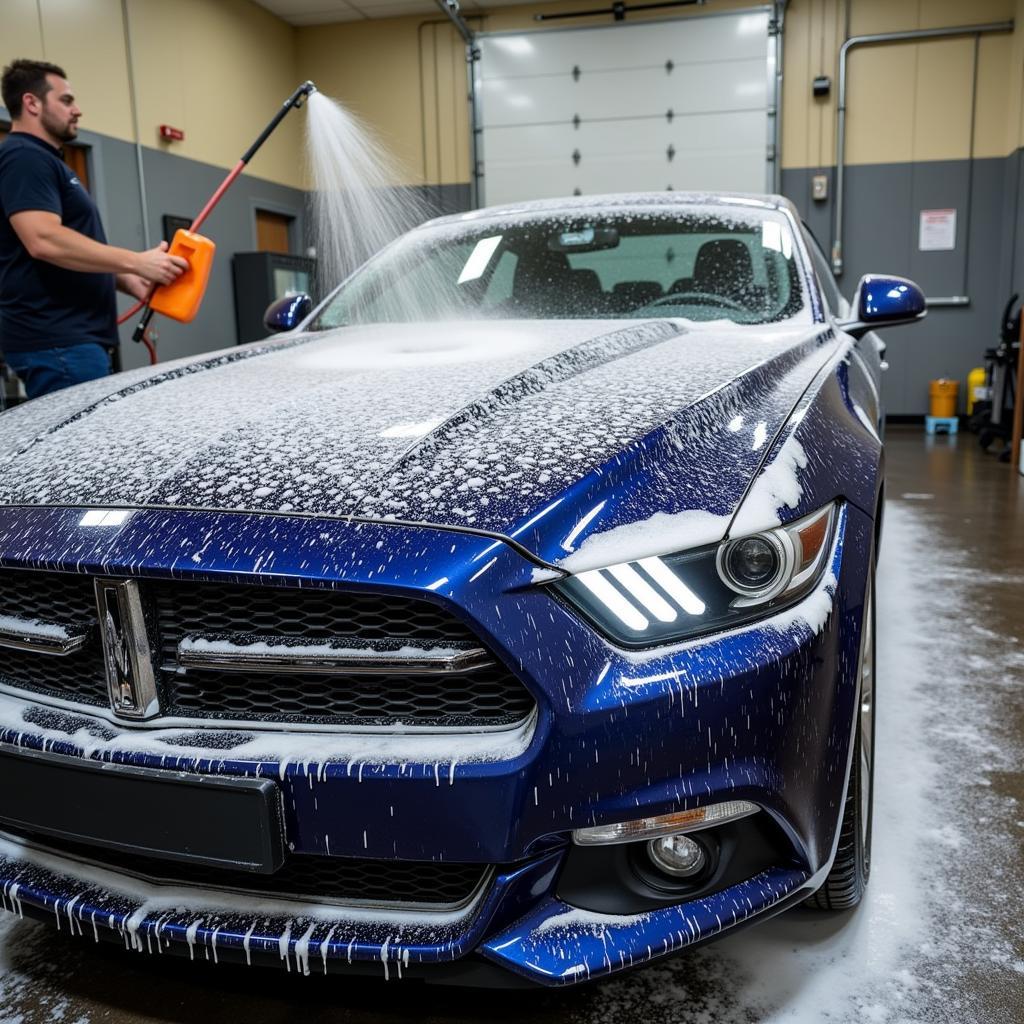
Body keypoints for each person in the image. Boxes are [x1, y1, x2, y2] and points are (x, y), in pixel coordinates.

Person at [0, 59, 187, 399]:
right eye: (67, 100)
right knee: (81, 452)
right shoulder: (24, 158)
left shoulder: (48, 162)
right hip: (59, 345)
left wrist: (128, 280)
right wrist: (135, 261)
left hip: (75, 344)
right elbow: (43, 240)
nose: (78, 110)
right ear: (31, 103)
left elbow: (65, 249)